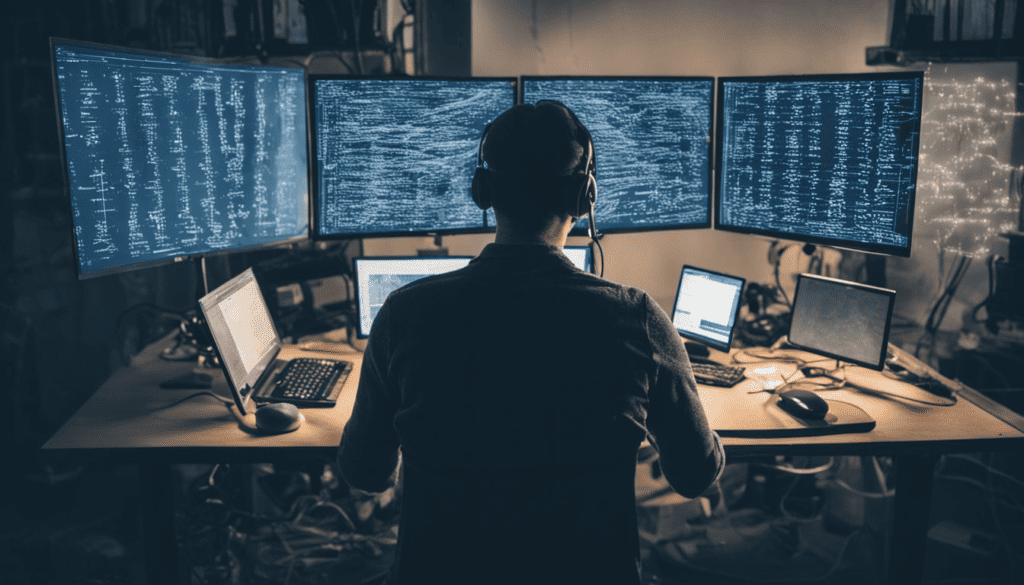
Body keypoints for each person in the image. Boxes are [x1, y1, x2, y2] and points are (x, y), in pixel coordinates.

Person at [338, 101, 725, 585]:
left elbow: (364, 473)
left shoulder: (405, 314)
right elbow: (695, 476)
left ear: (484, 191)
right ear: (585, 196)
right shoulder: (637, 319)